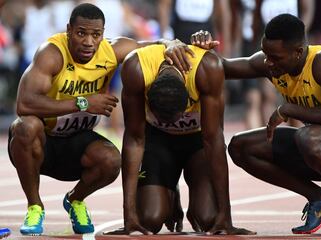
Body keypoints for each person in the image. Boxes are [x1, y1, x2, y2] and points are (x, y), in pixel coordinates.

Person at [7, 3, 193, 236]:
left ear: (103, 34)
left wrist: (171, 42)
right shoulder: (52, 53)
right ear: (69, 31)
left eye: (96, 35)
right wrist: (83, 102)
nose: (88, 42)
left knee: (111, 159)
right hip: (44, 143)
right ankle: (35, 206)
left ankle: (75, 200)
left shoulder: (112, 50)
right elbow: (24, 104)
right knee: (25, 126)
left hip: (77, 144)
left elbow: (154, 45)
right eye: (81, 33)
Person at [192, 13, 321, 235]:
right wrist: (201, 52)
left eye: (276, 57)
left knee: (308, 137)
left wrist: (288, 109)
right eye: (266, 54)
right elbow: (224, 68)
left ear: (298, 52)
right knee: (241, 147)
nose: (269, 62)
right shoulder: (272, 63)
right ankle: (319, 199)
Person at [104, 43, 255, 235]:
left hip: (198, 141)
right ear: (148, 100)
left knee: (208, 219)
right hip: (157, 141)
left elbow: (214, 141)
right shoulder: (136, 68)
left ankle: (190, 203)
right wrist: (129, 216)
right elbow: (134, 139)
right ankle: (170, 191)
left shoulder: (206, 68)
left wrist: (226, 215)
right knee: (149, 220)